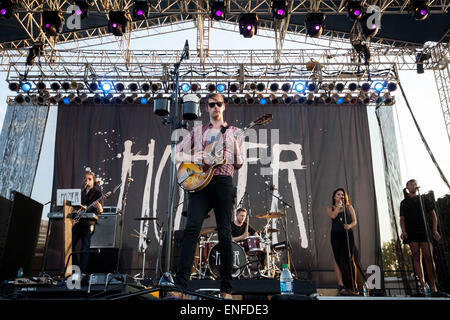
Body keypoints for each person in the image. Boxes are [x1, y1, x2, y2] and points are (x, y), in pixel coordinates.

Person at [173, 93, 244, 299]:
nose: (215, 107)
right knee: (191, 229)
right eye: (211, 104)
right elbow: (176, 154)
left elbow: (238, 163)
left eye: (219, 104)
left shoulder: (235, 132)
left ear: (224, 107)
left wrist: (235, 146)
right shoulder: (198, 131)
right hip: (200, 183)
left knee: (224, 233)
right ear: (206, 108)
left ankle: (226, 289)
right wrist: (194, 156)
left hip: (223, 183)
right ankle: (180, 287)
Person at [400, 179, 441, 296]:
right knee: (416, 256)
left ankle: (433, 287)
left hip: (425, 231)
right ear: (407, 187)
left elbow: (433, 215)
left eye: (415, 184)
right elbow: (402, 219)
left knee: (429, 257)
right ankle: (423, 287)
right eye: (411, 184)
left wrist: (434, 230)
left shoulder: (424, 199)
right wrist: (403, 231)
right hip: (412, 232)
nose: (414, 186)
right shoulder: (404, 202)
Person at [326, 188, 366, 296]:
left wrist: (349, 226)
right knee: (337, 259)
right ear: (334, 197)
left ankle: (353, 285)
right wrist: (338, 206)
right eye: (338, 194)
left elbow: (354, 221)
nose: (341, 196)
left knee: (349, 259)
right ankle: (341, 285)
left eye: (342, 195)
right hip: (335, 236)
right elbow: (333, 216)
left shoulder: (349, 207)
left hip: (347, 235)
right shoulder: (330, 208)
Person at [72, 171, 103, 275]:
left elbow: (100, 210)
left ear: (94, 181)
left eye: (89, 179)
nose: (87, 181)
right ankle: (75, 271)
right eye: (85, 179)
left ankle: (82, 273)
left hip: (88, 223)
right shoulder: (80, 193)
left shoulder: (98, 193)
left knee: (84, 249)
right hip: (77, 223)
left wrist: (99, 208)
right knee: (70, 246)